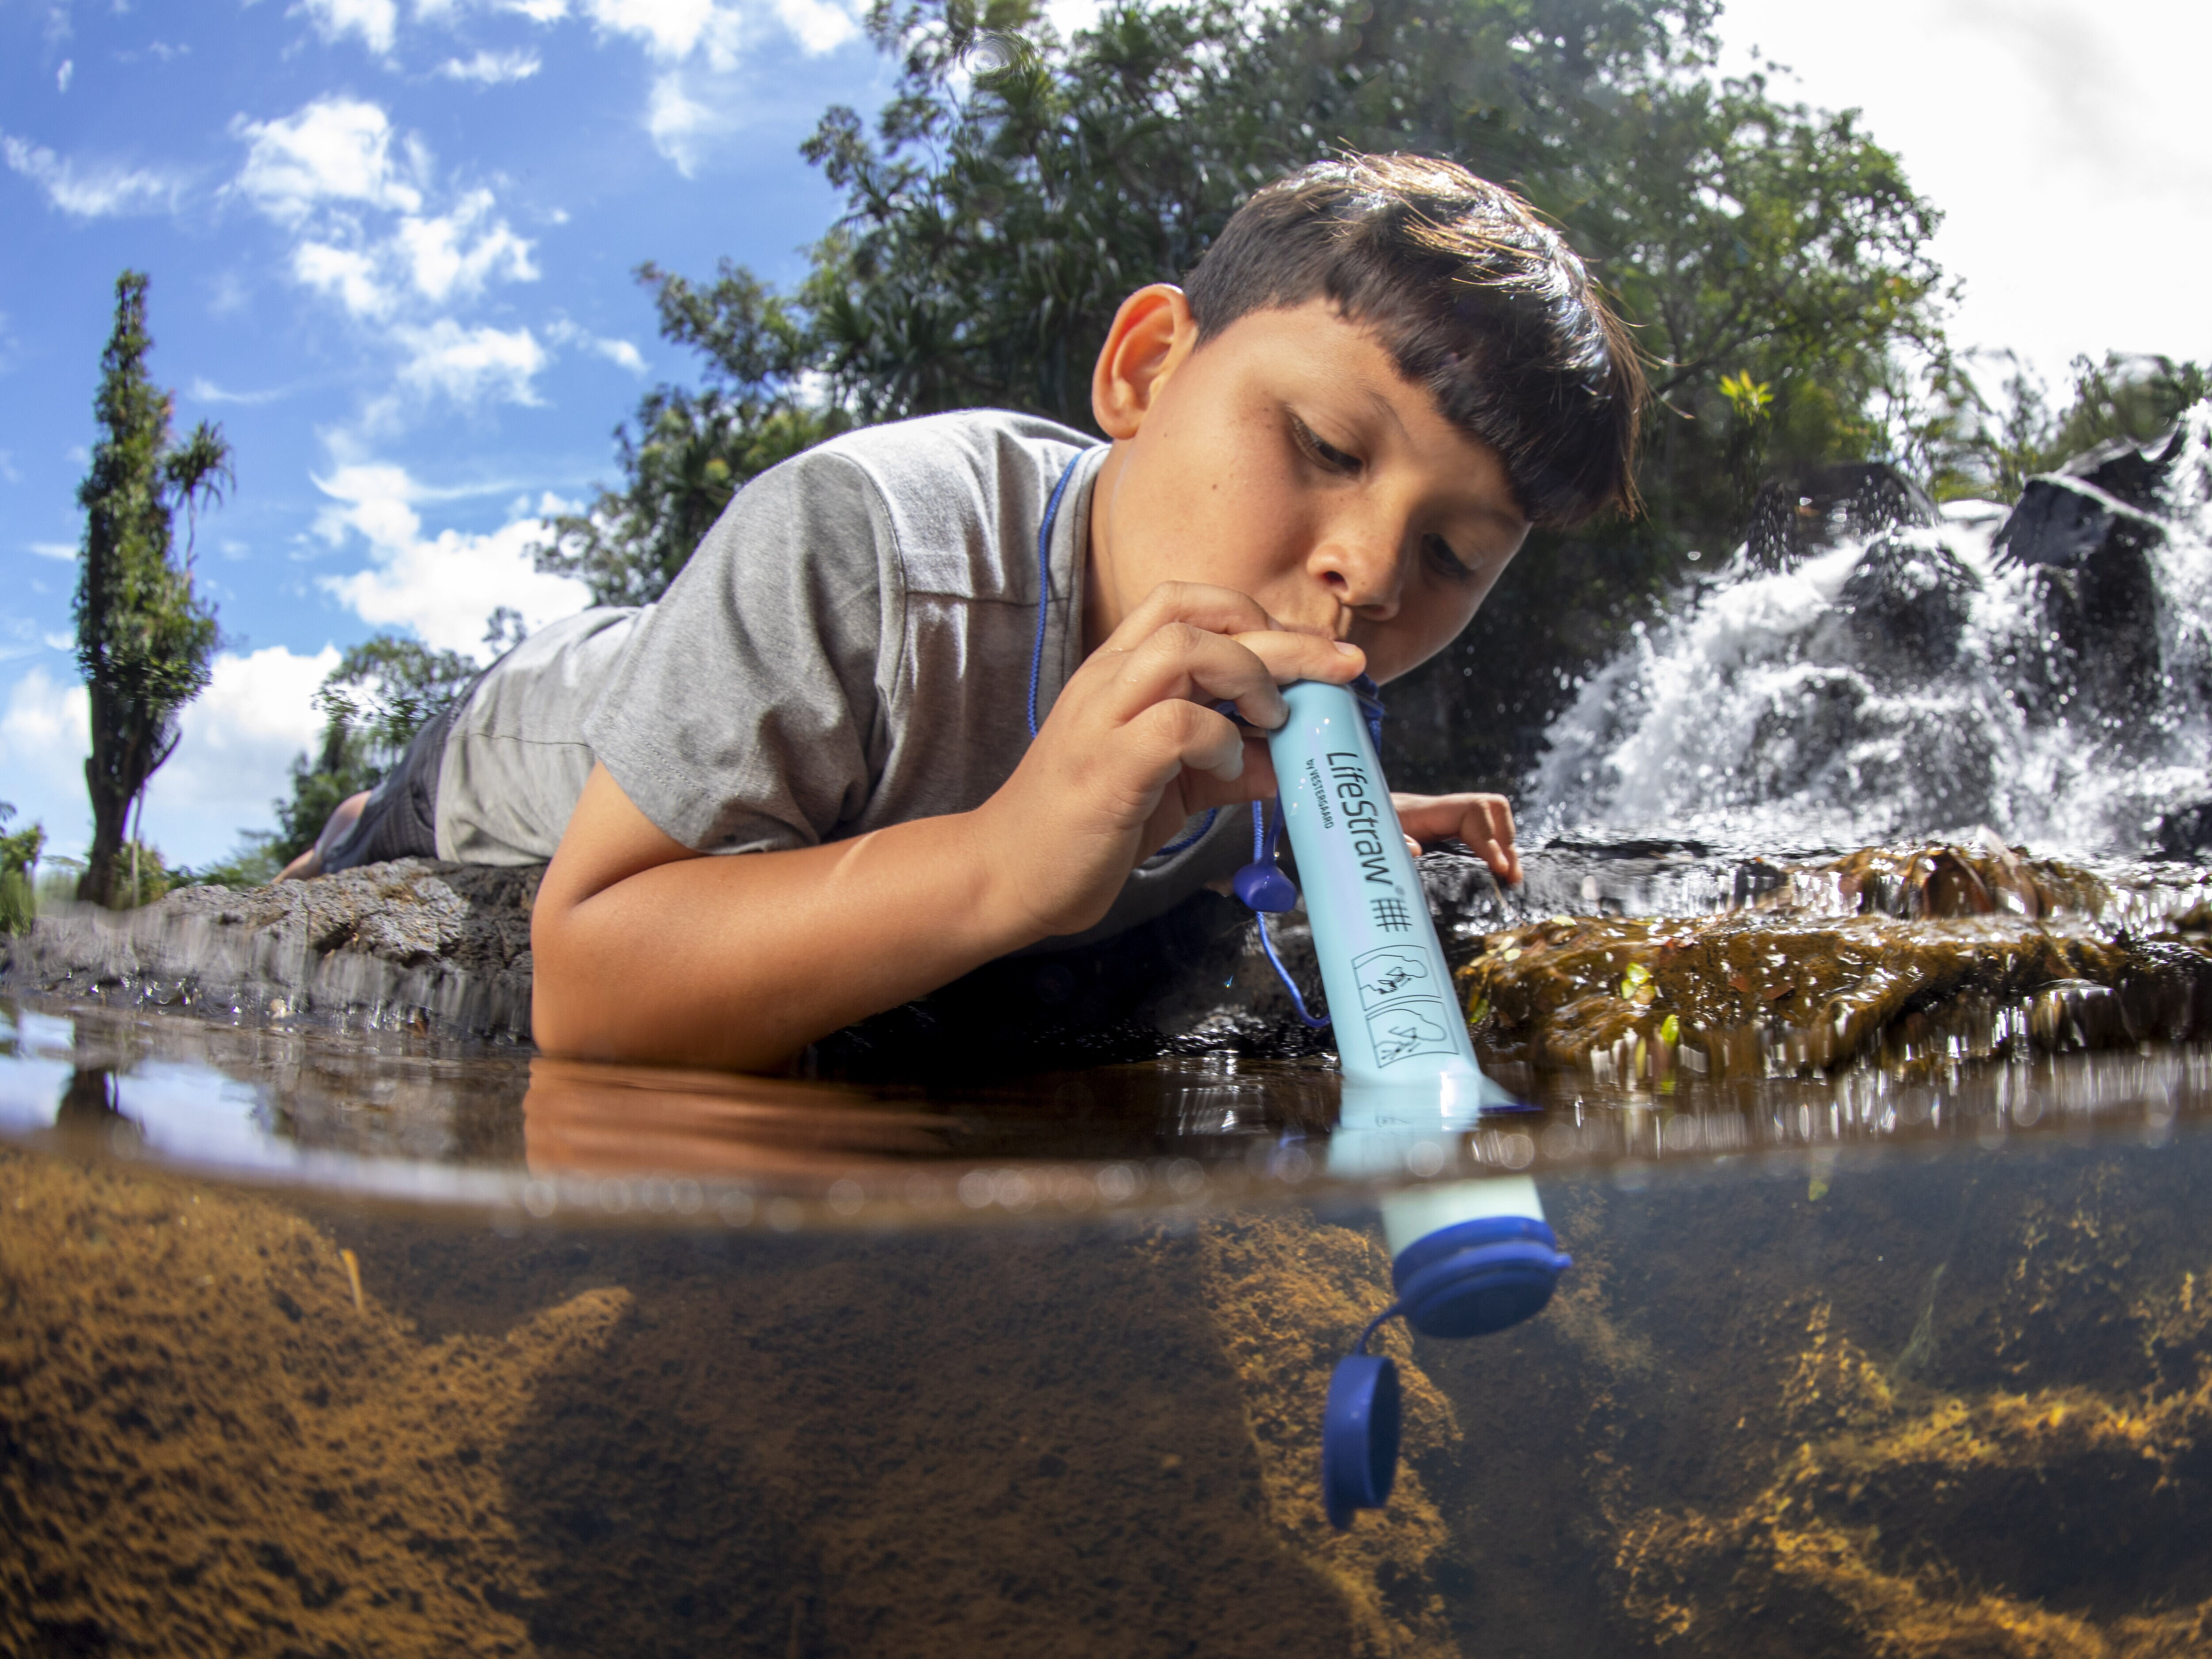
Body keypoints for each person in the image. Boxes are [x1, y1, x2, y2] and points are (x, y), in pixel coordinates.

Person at [295, 153, 1644, 1072]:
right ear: (1148, 370)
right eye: (1326, 450)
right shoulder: (867, 543)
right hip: (528, 751)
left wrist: (1333, 816)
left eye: (1457, 555)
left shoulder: (1282, 663)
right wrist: (1002, 862)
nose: (1371, 570)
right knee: (369, 865)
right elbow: (590, 988)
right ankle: (351, 827)